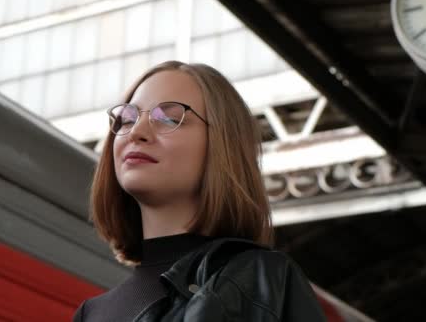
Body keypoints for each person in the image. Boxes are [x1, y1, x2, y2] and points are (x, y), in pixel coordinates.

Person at [72, 61, 326, 322]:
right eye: (127, 119)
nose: (137, 132)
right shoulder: (89, 314)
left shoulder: (264, 280)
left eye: (169, 118)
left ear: (223, 145)